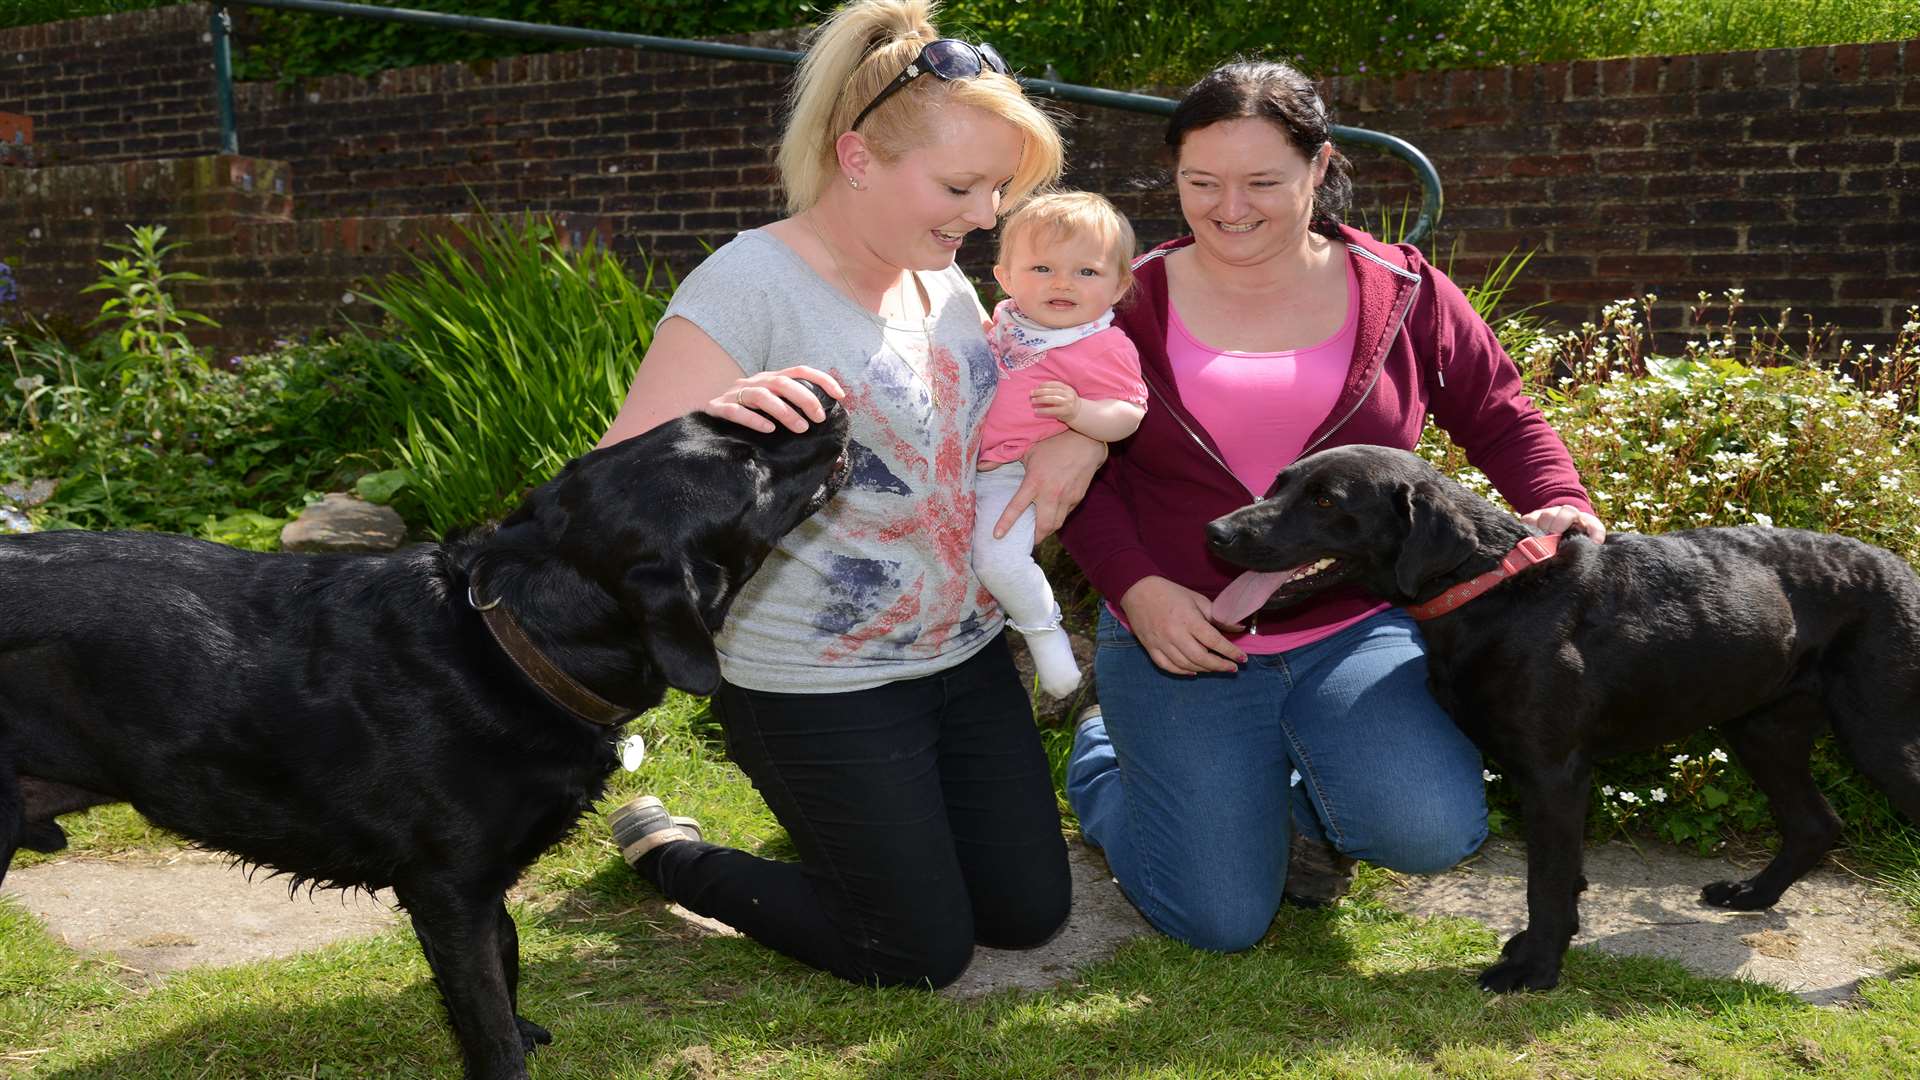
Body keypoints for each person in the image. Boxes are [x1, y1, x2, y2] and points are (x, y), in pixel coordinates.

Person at [594, 0, 1108, 989]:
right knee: (915, 952)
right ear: (859, 156)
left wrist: (1077, 439)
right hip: (814, 685)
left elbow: (1005, 419)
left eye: (998, 188)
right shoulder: (751, 284)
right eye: (962, 184)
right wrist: (713, 430)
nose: (988, 213)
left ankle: (870, 851)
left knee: (1029, 915)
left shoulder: (945, 281)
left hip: (961, 655)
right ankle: (668, 854)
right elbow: (609, 497)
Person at [1058, 59, 1607, 953]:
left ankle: (1296, 811)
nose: (1230, 206)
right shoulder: (1122, 302)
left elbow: (1500, 412)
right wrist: (1140, 591)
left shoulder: (1403, 290)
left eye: (1263, 181)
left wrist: (1560, 501)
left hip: (1358, 628)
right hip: (1180, 628)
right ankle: (1107, 759)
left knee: (1430, 831)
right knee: (1219, 919)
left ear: (1319, 169)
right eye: (1201, 182)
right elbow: (1073, 475)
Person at [974, 191, 1148, 699]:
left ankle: (1043, 629)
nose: (1063, 283)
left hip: (1013, 470)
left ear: (1119, 286)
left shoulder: (1100, 344)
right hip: (961, 464)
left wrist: (1079, 414)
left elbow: (1127, 416)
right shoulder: (1006, 322)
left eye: (1087, 272)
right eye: (1042, 267)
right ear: (1005, 278)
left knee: (998, 560)